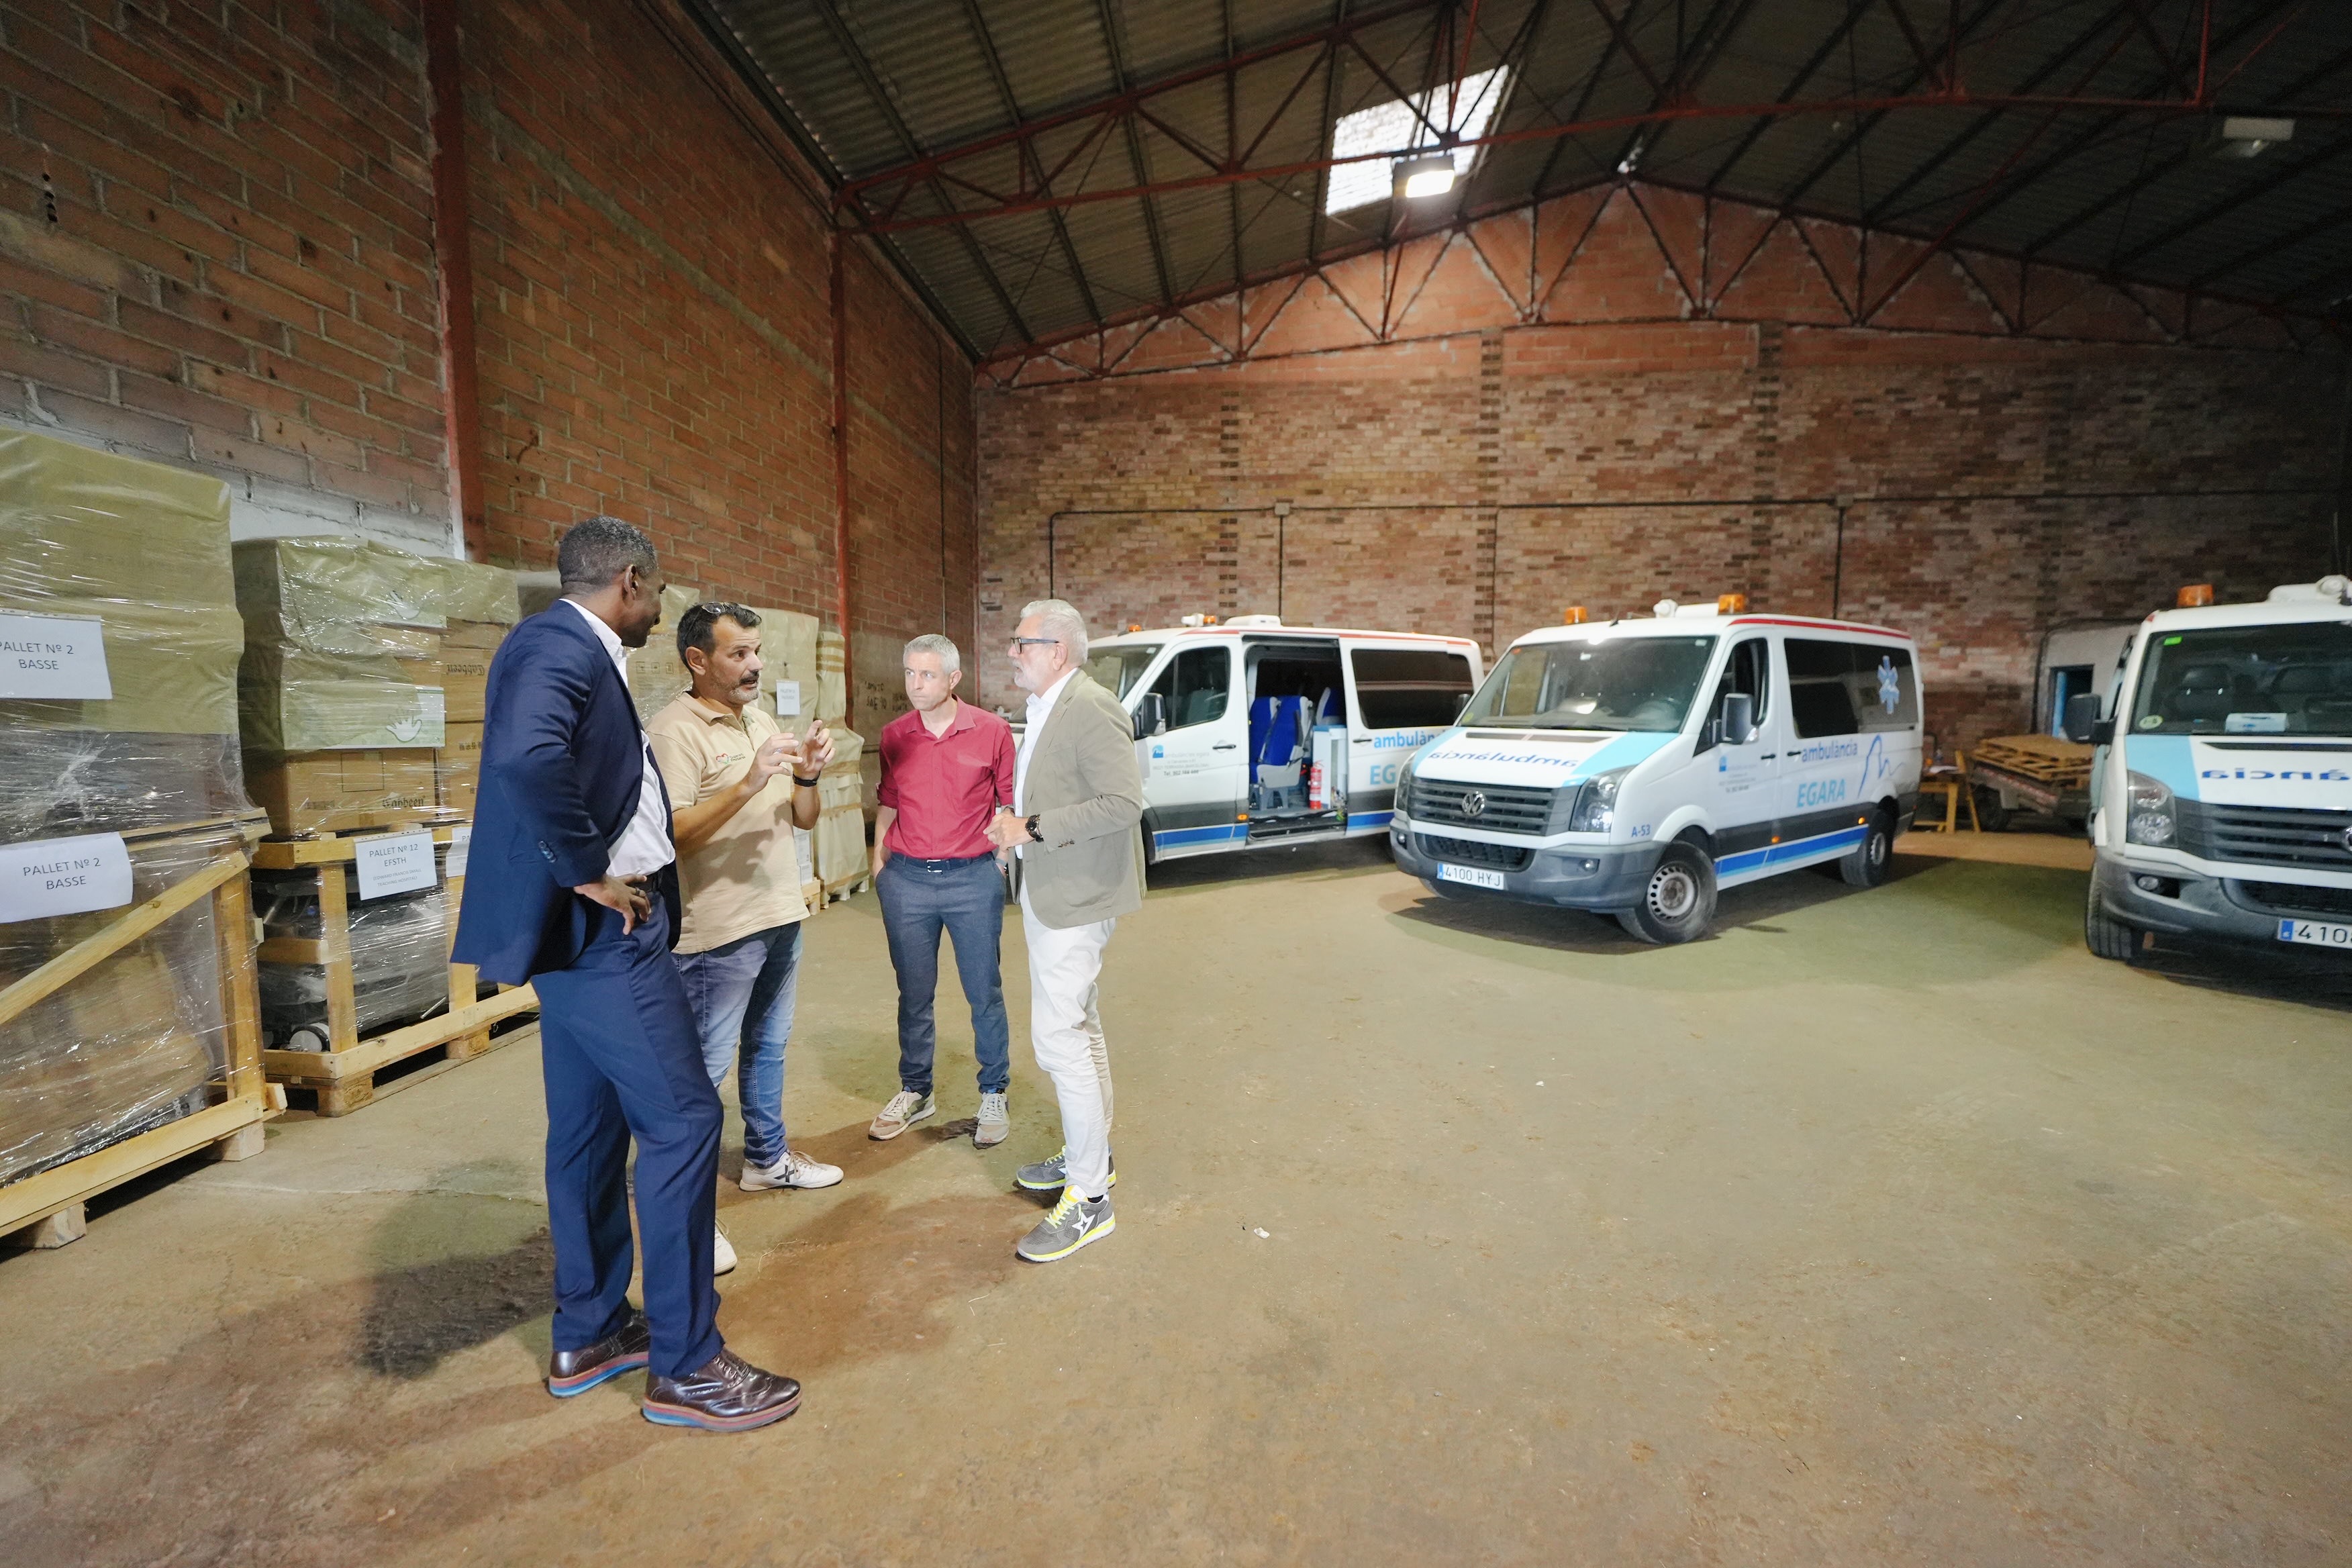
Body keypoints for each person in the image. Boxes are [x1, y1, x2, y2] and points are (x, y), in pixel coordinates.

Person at [452, 516, 800, 1432]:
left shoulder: (569, 647)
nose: (658, 608)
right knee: (685, 1120)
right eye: (658, 591)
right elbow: (527, 758)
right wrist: (587, 870)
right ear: (632, 581)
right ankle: (689, 1364)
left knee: (588, 1130)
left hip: (583, 940)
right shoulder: (559, 646)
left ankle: (591, 1330)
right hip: (605, 932)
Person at [647, 603, 844, 1280]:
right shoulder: (674, 731)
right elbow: (669, 834)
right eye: (739, 654)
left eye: (757, 651)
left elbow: (803, 818)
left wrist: (807, 774)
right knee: (700, 1078)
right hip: (718, 935)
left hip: (780, 914)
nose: (755, 664)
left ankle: (766, 1159)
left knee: (768, 1048)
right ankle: (688, 1215)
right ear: (697, 660)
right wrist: (749, 780)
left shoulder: (758, 721)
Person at [985, 599, 1145, 1263]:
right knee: (1081, 1025)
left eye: (1021, 642)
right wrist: (1014, 830)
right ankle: (1092, 1156)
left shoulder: (1091, 706)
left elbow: (1124, 802)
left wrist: (1031, 828)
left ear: (1058, 649)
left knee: (1058, 1039)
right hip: (1053, 889)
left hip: (1077, 896)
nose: (1012, 652)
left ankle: (1091, 1197)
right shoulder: (1049, 706)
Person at [867, 634, 1017, 1146]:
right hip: (906, 882)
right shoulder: (895, 735)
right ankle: (916, 1090)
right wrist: (879, 865)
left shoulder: (992, 731)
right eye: (910, 673)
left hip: (972, 880)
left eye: (927, 674)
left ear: (953, 679)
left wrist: (999, 864)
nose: (916, 684)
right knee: (914, 994)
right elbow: (888, 802)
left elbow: (1007, 803)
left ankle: (993, 1091)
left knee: (983, 992)